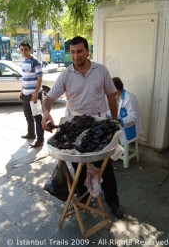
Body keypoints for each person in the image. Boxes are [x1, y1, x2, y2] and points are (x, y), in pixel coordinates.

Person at [42, 36, 123, 219]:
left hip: (98, 125)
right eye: (72, 52)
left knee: (105, 167)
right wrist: (46, 112)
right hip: (74, 126)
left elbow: (111, 97)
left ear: (87, 52)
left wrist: (115, 120)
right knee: (77, 166)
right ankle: (83, 197)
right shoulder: (66, 74)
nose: (76, 56)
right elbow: (48, 99)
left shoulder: (101, 71)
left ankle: (113, 201)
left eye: (79, 51)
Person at [19, 41, 44, 148]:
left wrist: (35, 93)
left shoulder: (35, 61)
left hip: (35, 95)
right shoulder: (23, 62)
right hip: (25, 94)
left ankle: (40, 140)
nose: (23, 52)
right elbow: (25, 78)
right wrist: (21, 91)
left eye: (25, 49)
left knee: (37, 117)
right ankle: (31, 134)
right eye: (21, 50)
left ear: (30, 49)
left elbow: (40, 78)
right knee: (28, 116)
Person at [112, 77, 143, 145]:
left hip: (129, 126)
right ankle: (116, 151)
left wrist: (119, 120)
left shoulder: (129, 98)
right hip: (120, 125)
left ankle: (118, 152)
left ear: (115, 90)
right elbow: (116, 109)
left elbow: (133, 117)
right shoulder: (117, 97)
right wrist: (108, 115)